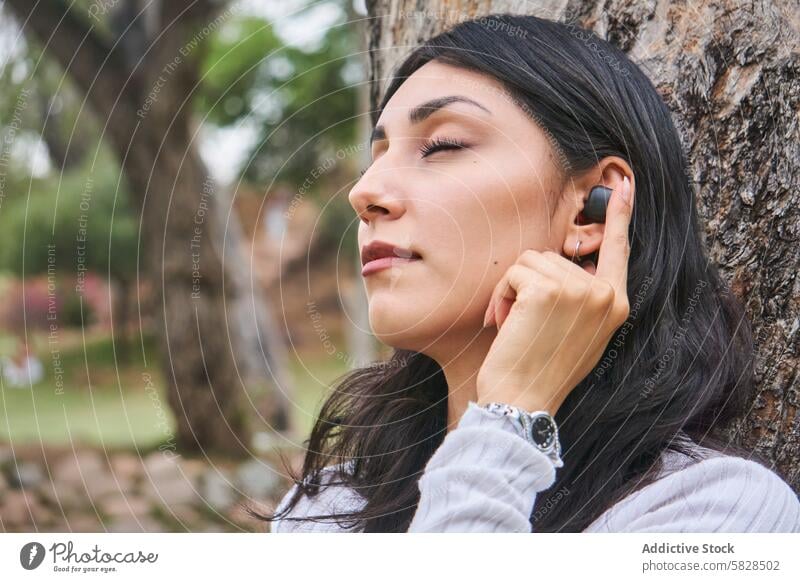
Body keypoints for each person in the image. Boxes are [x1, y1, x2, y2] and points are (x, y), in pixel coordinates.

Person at [260, 14, 800, 532]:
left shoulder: (713, 512)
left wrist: (510, 417)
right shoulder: (328, 509)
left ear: (591, 208)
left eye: (442, 145)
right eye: (375, 158)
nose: (364, 193)